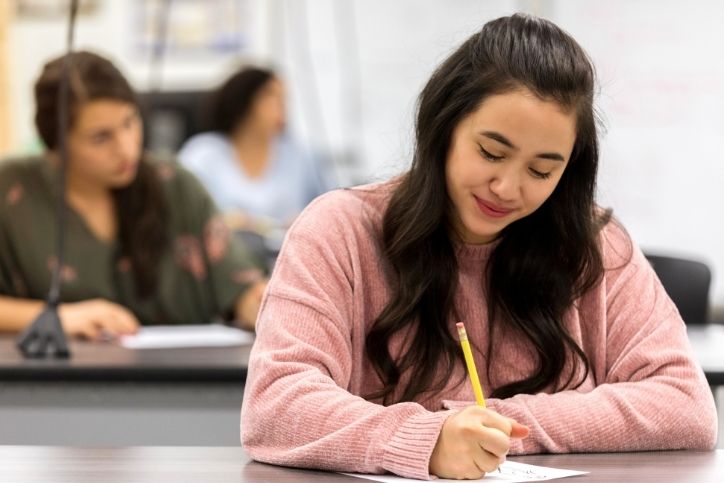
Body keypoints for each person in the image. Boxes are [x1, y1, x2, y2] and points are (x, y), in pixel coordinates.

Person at [240, 13, 717, 480]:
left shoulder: (594, 245)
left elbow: (685, 404)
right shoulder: (339, 231)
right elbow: (275, 405)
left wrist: (492, 428)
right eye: (491, 152)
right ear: (444, 127)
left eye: (541, 170)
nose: (508, 188)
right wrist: (427, 439)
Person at [0, 51, 267, 339]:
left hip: (185, 377)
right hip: (51, 382)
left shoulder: (174, 184)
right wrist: (58, 317)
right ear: (56, 143)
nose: (127, 149)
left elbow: (240, 287)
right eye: (101, 137)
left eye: (130, 123)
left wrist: (259, 304)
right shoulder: (12, 192)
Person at [178, 66, 334, 235]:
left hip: (287, 255)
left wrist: (306, 222)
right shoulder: (202, 155)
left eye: (284, 99)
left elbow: (330, 212)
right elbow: (182, 216)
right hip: (223, 258)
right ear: (244, 102)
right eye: (272, 97)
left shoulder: (302, 156)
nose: (282, 108)